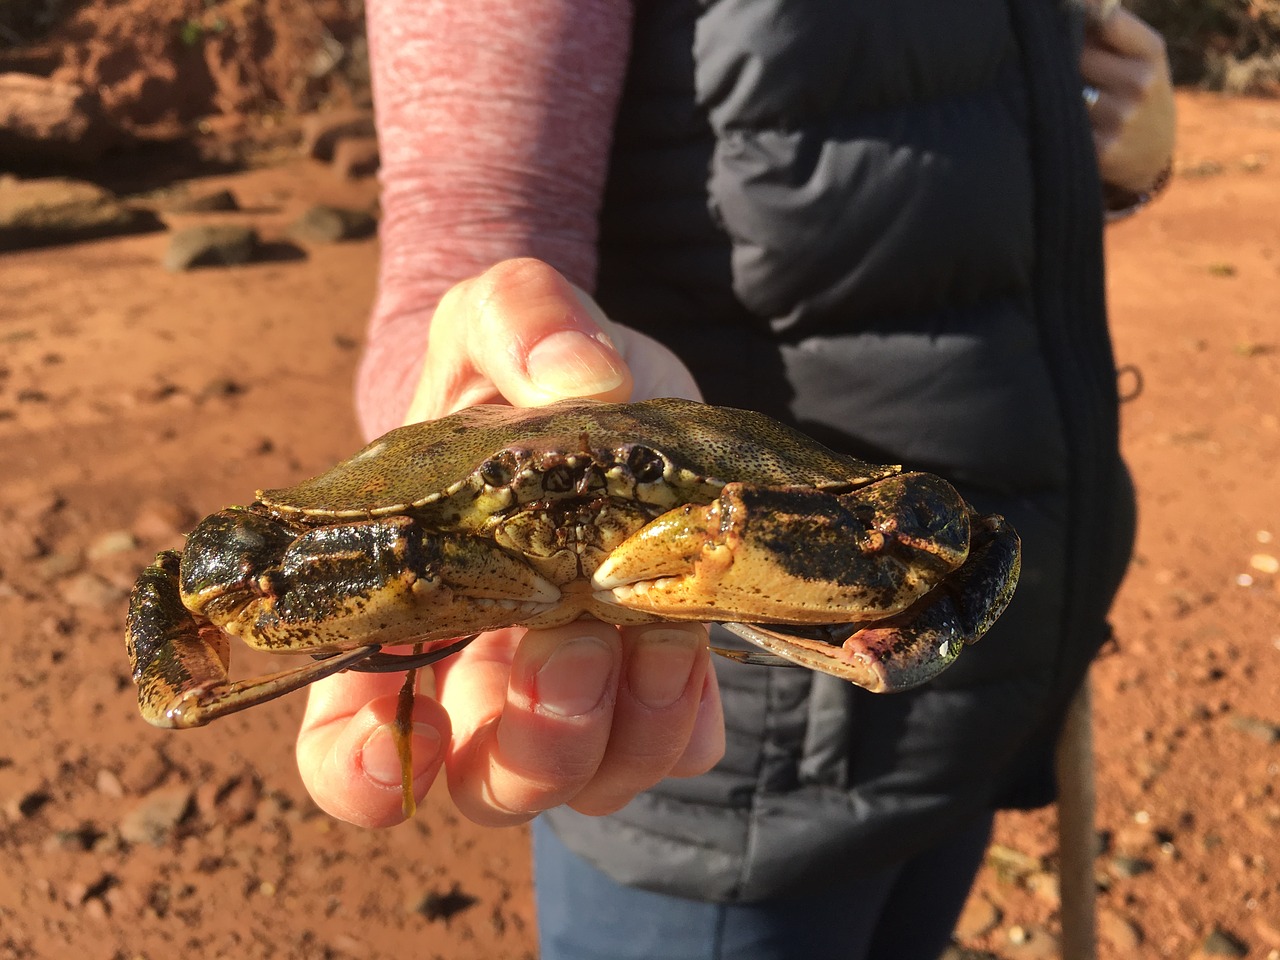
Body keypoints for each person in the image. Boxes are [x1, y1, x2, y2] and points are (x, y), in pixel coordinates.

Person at [294, 1, 1176, 956]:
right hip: (733, 763)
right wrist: (468, 383)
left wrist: (1111, 150)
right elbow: (468, 222)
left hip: (969, 686)